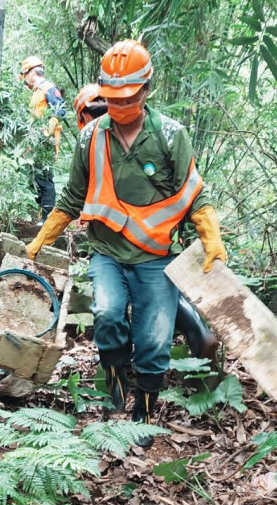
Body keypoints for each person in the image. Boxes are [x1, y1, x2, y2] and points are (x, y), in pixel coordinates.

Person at [25, 40, 227, 446]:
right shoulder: (90, 138)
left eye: (128, 98)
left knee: (154, 338)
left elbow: (194, 195)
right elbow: (70, 198)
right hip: (107, 252)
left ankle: (145, 411)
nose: (119, 107)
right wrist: (40, 241)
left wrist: (211, 239)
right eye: (113, 98)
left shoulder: (171, 136)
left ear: (146, 90)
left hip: (156, 256)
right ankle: (115, 388)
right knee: (108, 314)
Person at [72, 83, 222, 367]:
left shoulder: (101, 133)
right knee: (156, 282)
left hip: (145, 231)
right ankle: (195, 333)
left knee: (140, 288)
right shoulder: (132, 128)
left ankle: (147, 350)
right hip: (165, 226)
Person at [19, 56, 67, 223]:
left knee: (44, 179)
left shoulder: (48, 88)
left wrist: (48, 129)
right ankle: (42, 216)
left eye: (25, 75)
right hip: (36, 142)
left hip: (45, 142)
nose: (25, 80)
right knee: (37, 178)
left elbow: (60, 110)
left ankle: (47, 219)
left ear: (32, 73)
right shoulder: (37, 91)